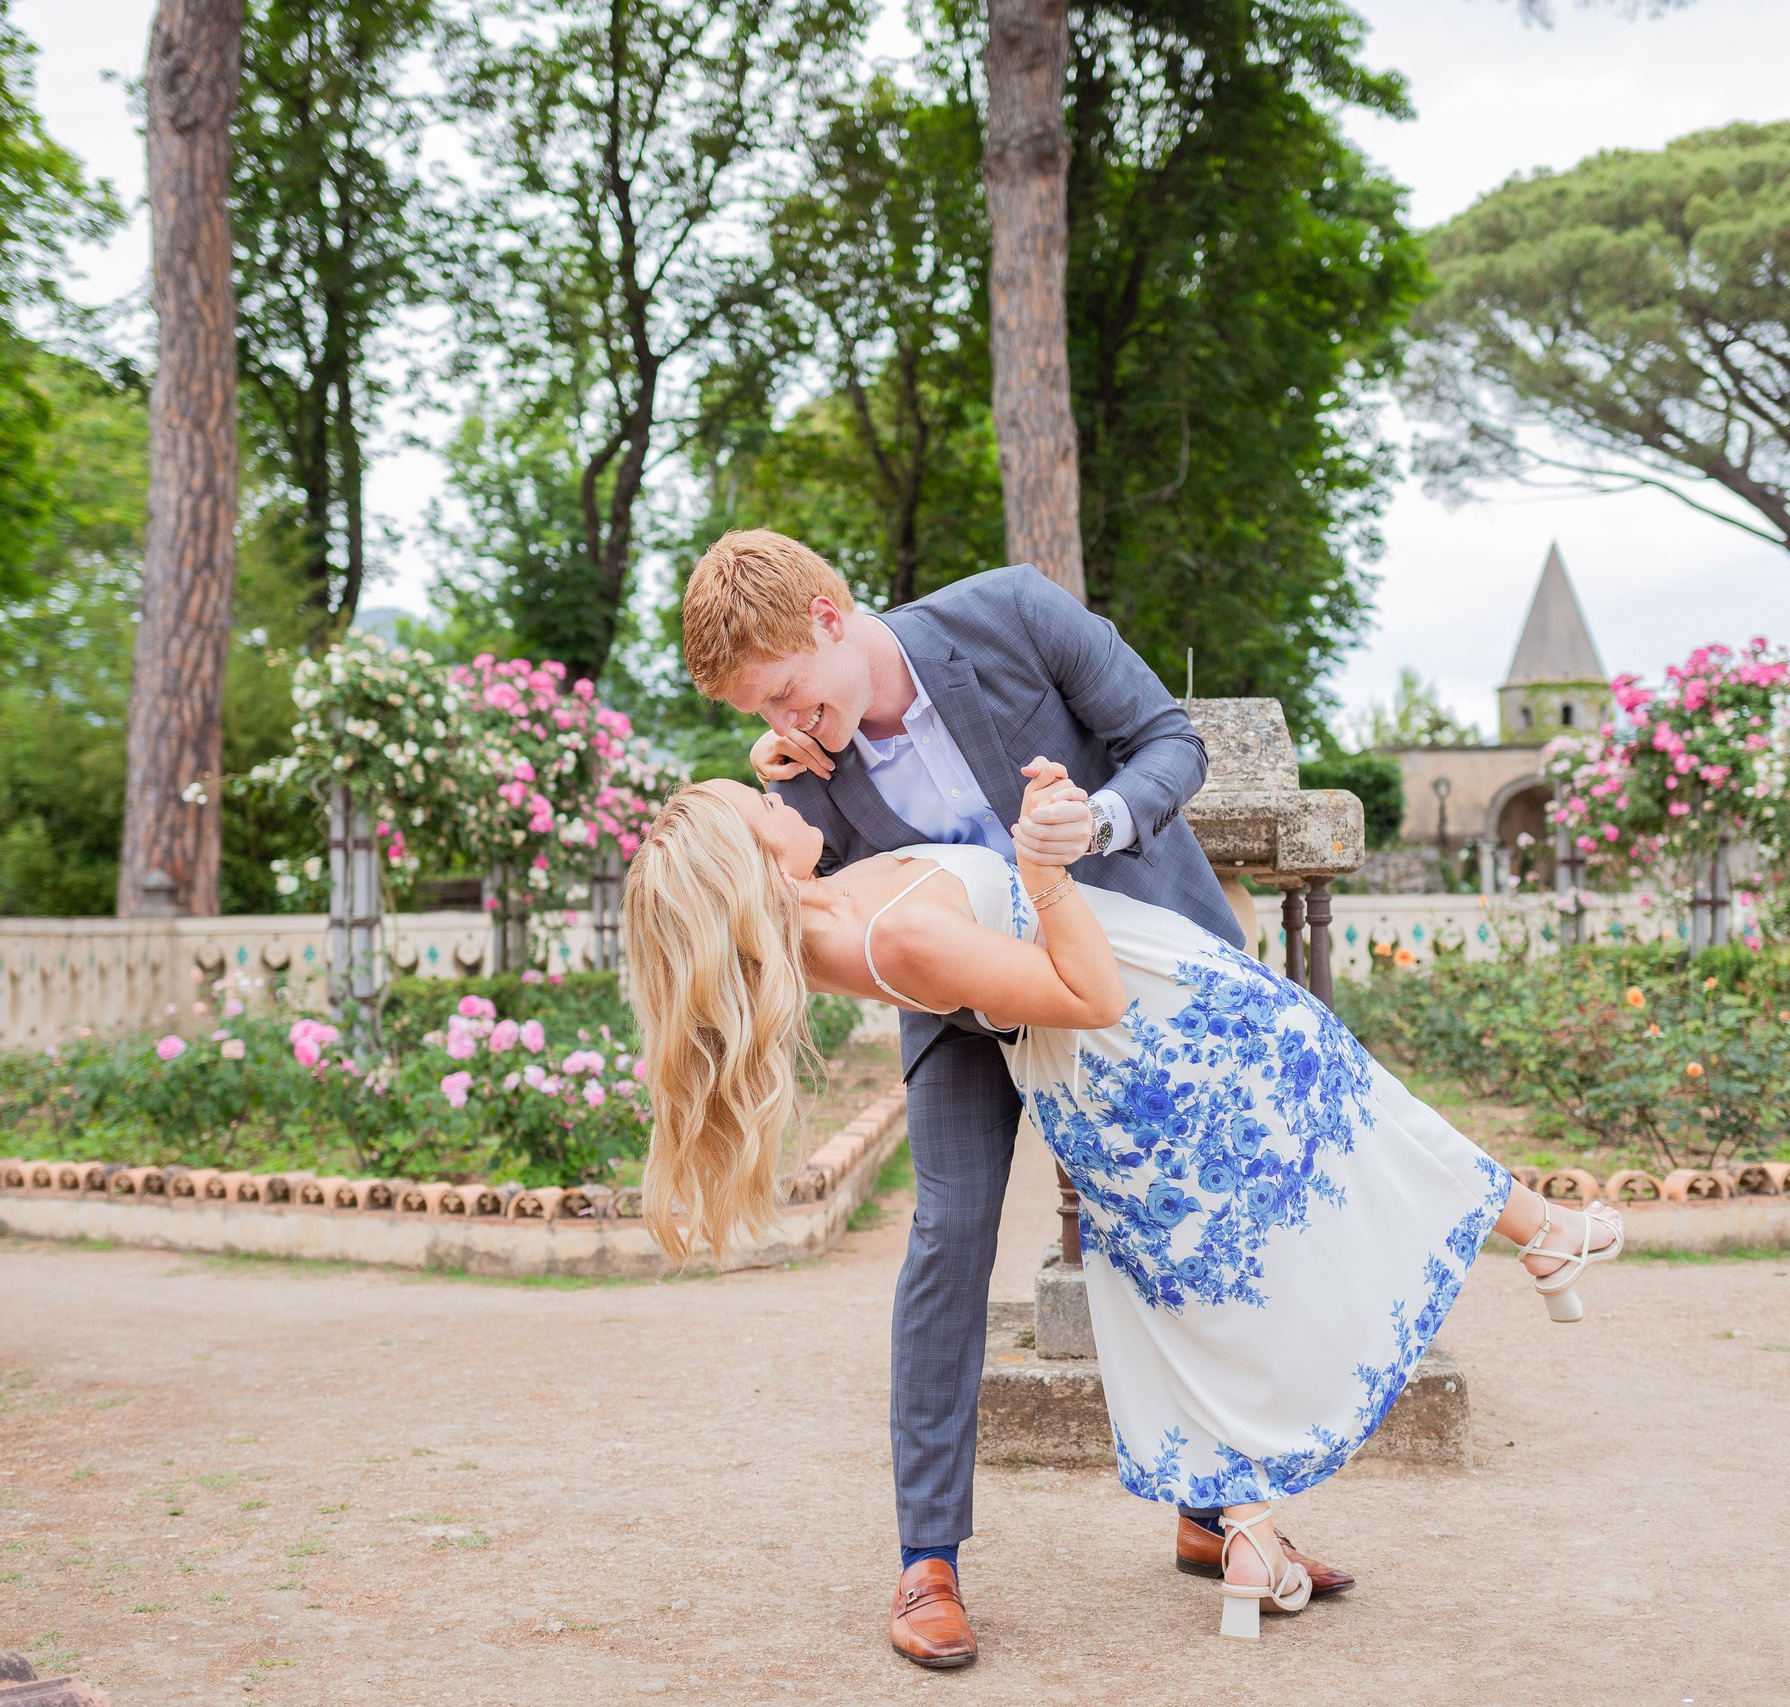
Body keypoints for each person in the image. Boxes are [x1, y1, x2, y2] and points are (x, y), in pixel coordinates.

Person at [646, 532, 1623, 1656]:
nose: (780, 728)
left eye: (783, 696)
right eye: (758, 716)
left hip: (1126, 963)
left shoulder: (1007, 614)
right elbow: (781, 890)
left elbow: (1165, 740)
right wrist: (783, 792)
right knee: (948, 1235)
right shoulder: (800, 759)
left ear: (827, 614)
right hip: (961, 998)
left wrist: (1097, 820)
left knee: (1192, 1221)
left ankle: (1220, 1515)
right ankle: (927, 1564)